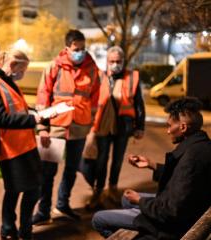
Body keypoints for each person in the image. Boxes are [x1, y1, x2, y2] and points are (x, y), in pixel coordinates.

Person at [91, 97, 211, 239]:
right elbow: (180, 177)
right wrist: (151, 165)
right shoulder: (202, 146)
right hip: (187, 210)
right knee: (126, 199)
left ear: (183, 127)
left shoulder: (191, 159)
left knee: (98, 219)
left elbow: (170, 211)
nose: (167, 131)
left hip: (171, 225)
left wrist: (140, 201)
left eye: (169, 126)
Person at [32, 29, 100, 224]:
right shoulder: (54, 67)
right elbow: (43, 97)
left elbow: (94, 100)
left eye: (83, 48)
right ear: (67, 48)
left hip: (80, 128)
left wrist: (92, 127)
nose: (81, 52)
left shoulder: (92, 68)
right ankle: (43, 211)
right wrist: (42, 128)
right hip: (56, 127)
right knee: (47, 171)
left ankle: (62, 205)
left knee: (71, 169)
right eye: (76, 49)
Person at [0, 50, 43, 240]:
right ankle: (12, 229)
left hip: (24, 144)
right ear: (13, 64)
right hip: (11, 149)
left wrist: (33, 110)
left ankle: (17, 229)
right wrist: (34, 119)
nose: (23, 73)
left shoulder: (5, 80)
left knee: (26, 190)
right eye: (23, 68)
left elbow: (15, 107)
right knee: (19, 190)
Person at [86, 46, 145, 208]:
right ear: (107, 61)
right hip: (103, 125)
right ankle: (98, 192)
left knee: (117, 161)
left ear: (123, 61)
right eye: (112, 61)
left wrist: (140, 126)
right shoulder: (99, 76)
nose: (115, 64)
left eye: (118, 61)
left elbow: (139, 104)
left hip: (123, 126)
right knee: (101, 160)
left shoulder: (131, 77)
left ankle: (112, 189)